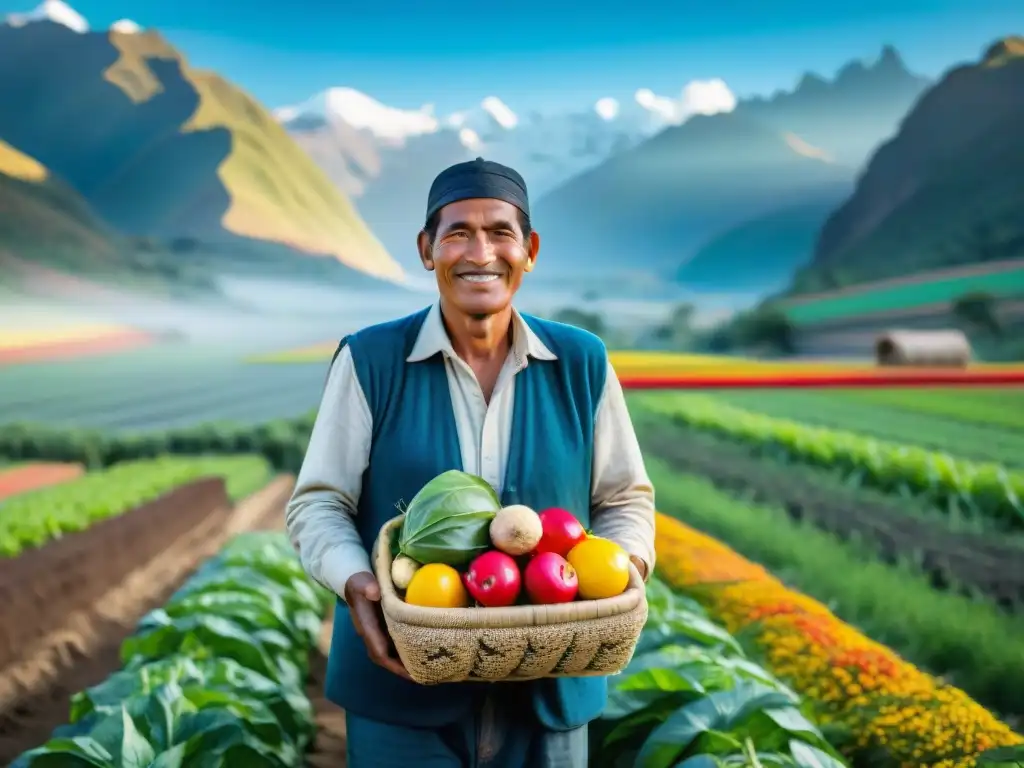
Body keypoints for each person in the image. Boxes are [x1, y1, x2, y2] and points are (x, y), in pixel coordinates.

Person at [285, 157, 656, 768]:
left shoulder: (582, 362)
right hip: (399, 690)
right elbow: (320, 502)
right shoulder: (370, 360)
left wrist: (621, 574)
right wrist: (359, 585)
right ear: (427, 249)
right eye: (457, 232)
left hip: (551, 694)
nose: (479, 252)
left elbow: (624, 500)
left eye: (500, 232)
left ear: (529, 250)